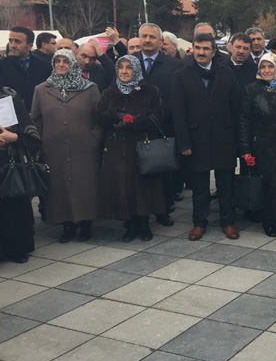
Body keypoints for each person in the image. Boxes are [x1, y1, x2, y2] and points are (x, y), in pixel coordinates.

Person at [172, 33, 240, 242]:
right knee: (200, 186)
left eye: (205, 49)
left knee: (226, 185)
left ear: (213, 51)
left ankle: (228, 222)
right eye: (197, 48)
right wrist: (183, 143)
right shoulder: (181, 75)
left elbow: (236, 108)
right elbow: (178, 112)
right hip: (196, 139)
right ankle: (199, 223)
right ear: (192, 49)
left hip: (224, 138)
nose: (201, 52)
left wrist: (238, 142)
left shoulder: (227, 73)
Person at [31, 49, 102, 243]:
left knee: (84, 185)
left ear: (73, 64)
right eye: (57, 61)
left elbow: (100, 117)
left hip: (84, 147)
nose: (61, 65)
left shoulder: (89, 88)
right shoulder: (41, 89)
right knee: (59, 186)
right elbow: (36, 120)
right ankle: (67, 225)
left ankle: (86, 223)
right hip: (53, 148)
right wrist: (37, 145)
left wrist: (94, 138)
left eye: (65, 61)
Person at [95, 55, 166, 242]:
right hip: (117, 148)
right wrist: (115, 115)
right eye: (121, 67)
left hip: (141, 145)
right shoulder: (109, 92)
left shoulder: (150, 91)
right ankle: (131, 225)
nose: (124, 71)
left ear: (136, 70)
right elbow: (99, 116)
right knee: (123, 187)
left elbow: (157, 116)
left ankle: (144, 224)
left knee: (142, 187)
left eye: (129, 68)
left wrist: (134, 121)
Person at [239, 53, 276, 237]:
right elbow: (244, 120)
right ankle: (269, 221)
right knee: (268, 184)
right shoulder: (251, 89)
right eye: (263, 67)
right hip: (262, 146)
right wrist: (245, 149)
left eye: (270, 67)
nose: (266, 71)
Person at [132, 23, 184, 225]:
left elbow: (179, 99)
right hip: (135, 129)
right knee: (136, 173)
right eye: (144, 36)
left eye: (152, 37)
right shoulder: (129, 62)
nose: (147, 40)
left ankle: (163, 212)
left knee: (162, 172)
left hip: (164, 128)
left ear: (161, 42)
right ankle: (137, 215)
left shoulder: (174, 65)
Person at [0, 86, 41, 263]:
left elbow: (31, 135)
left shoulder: (10, 95)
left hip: (9, 164)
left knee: (13, 206)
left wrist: (13, 137)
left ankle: (17, 248)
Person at [0, 26, 52, 109]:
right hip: (12, 117)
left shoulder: (45, 66)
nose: (13, 45)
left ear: (29, 46)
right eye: (10, 41)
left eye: (17, 41)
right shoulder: (2, 65)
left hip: (38, 116)